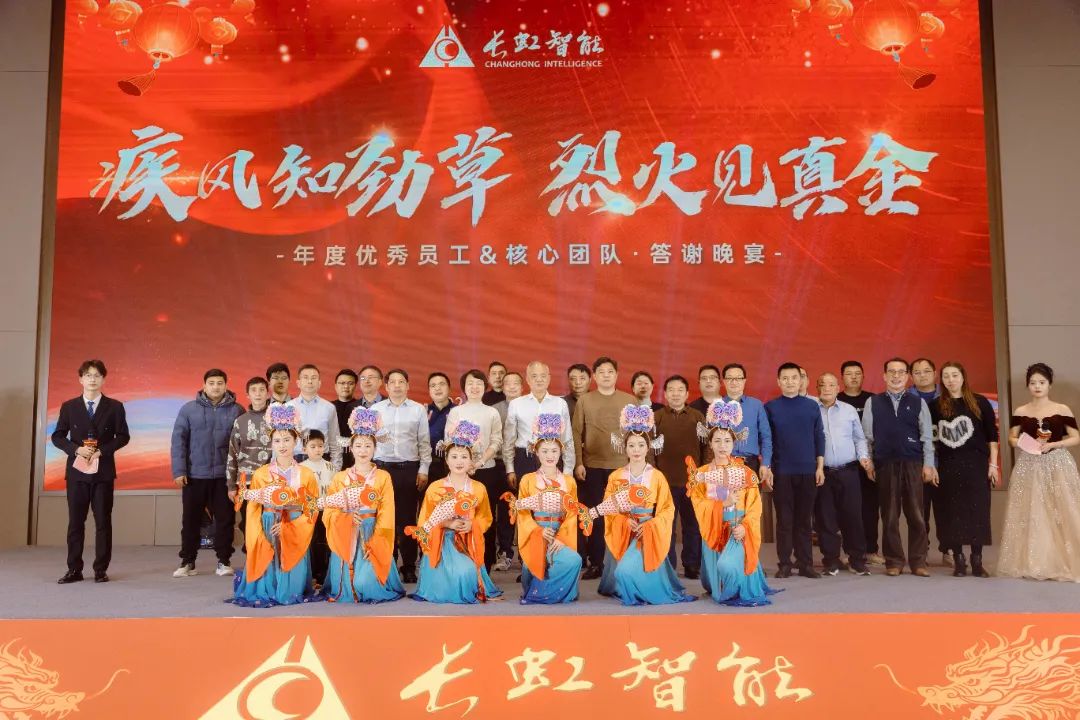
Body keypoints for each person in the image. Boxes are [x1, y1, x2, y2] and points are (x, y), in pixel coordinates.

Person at [592, 405, 696, 606]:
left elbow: (667, 509)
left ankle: (643, 584)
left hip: (647, 532)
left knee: (625, 572)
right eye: (631, 445)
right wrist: (624, 521)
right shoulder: (616, 476)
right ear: (625, 448)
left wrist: (650, 525)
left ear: (649, 447)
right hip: (624, 531)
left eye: (641, 445)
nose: (636, 450)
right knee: (622, 574)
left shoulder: (657, 476)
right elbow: (608, 507)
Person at [228, 405, 322, 607]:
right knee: (268, 584)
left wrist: (291, 526)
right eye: (277, 441)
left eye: (287, 440)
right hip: (268, 524)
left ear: (296, 441)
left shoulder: (306, 474)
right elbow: (253, 509)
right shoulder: (261, 474)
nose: (282, 445)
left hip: (295, 525)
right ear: (270, 443)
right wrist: (257, 535)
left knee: (289, 591)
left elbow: (312, 509)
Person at [689, 401, 777, 606]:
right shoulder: (701, 474)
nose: (722, 446)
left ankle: (738, 584)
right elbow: (698, 504)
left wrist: (745, 527)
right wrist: (723, 504)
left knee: (727, 566)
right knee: (715, 580)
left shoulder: (746, 472)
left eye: (727, 441)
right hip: (713, 527)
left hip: (737, 528)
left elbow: (755, 507)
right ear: (710, 443)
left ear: (734, 443)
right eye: (717, 441)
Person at [998, 363, 1080, 581]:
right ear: (1028, 385)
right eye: (1033, 383)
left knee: (1062, 509)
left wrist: (1054, 445)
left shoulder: (1062, 409)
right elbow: (1011, 438)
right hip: (1029, 464)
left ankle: (1066, 561)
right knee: (1033, 510)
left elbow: (1076, 437)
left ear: (1049, 384)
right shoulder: (1021, 411)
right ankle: (1038, 562)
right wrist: (1024, 443)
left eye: (1042, 382)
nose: (1037, 386)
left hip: (1058, 463)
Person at [52, 359, 130, 584]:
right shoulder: (69, 406)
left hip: (103, 472)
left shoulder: (115, 407)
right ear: (81, 379)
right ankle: (74, 569)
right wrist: (76, 449)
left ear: (103, 379)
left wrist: (102, 451)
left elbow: (123, 436)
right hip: (77, 473)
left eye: (97, 375)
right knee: (75, 522)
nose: (92, 379)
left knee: (103, 522)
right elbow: (58, 436)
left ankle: (100, 569)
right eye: (88, 375)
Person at [408, 421, 503, 603]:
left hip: (468, 541)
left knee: (465, 573)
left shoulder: (478, 488)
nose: (459, 461)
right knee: (451, 578)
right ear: (446, 460)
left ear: (471, 460)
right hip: (440, 542)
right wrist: (447, 523)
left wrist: (472, 524)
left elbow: (486, 517)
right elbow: (424, 521)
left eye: (464, 457)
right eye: (454, 456)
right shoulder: (435, 487)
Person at [319, 407, 405, 603]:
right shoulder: (340, 477)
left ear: (375, 448)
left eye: (368, 446)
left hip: (372, 531)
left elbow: (387, 513)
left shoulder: (383, 477)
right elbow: (330, 511)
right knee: (351, 585)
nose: (363, 450)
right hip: (346, 533)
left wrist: (377, 541)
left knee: (365, 584)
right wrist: (346, 517)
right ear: (351, 448)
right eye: (358, 445)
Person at [862, 358, 937, 577]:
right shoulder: (873, 402)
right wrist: (869, 463)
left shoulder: (918, 402)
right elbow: (867, 437)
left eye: (901, 372)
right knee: (890, 515)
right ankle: (893, 561)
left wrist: (929, 464)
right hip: (885, 463)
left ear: (907, 376)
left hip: (913, 463)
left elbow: (927, 437)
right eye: (892, 372)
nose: (896, 376)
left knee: (917, 514)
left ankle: (918, 561)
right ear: (884, 376)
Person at [171, 369, 244, 578]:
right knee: (190, 520)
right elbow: (178, 442)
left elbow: (241, 444)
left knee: (225, 520)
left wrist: (237, 476)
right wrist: (179, 470)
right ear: (204, 385)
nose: (215, 387)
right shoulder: (188, 409)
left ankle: (224, 561)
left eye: (220, 383)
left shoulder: (237, 410)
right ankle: (188, 561)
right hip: (195, 474)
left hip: (224, 476)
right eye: (211, 383)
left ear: (226, 385)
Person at [931, 362, 999, 578]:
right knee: (952, 512)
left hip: (977, 464)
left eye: (955, 375)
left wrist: (993, 465)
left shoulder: (980, 402)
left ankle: (977, 560)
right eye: (946, 376)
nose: (951, 380)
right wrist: (932, 466)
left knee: (978, 511)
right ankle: (959, 560)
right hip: (948, 465)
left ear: (963, 377)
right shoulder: (935, 406)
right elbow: (931, 439)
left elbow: (992, 436)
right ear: (941, 380)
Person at [572, 356, 637, 579]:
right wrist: (579, 462)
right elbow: (576, 433)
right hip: (593, 466)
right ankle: (597, 562)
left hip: (622, 467)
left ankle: (623, 561)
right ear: (594, 376)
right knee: (596, 515)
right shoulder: (585, 400)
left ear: (617, 375)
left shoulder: (629, 401)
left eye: (610, 372)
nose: (606, 376)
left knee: (623, 515)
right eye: (601, 372)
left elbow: (638, 434)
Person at [507, 414, 582, 603]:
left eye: (554, 451)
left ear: (561, 452)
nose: (550, 456)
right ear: (536, 452)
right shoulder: (528, 480)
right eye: (545, 451)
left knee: (574, 560)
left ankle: (540, 594)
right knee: (533, 568)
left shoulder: (569, 481)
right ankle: (541, 590)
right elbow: (523, 513)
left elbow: (572, 514)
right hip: (536, 535)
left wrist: (562, 537)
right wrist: (538, 531)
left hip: (560, 536)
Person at [765, 363, 825, 578]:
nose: (790, 382)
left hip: (808, 471)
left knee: (804, 520)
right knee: (784, 520)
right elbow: (767, 440)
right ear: (778, 382)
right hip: (782, 472)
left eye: (794, 377)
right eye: (785, 378)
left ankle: (805, 563)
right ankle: (784, 563)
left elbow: (819, 436)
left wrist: (820, 467)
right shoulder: (771, 407)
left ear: (801, 380)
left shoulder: (812, 406)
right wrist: (768, 468)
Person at [371, 369, 431, 584]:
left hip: (409, 469)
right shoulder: (375, 410)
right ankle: (387, 563)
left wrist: (424, 469)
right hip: (381, 469)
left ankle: (409, 566)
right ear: (386, 387)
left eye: (401, 382)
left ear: (407, 385)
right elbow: (368, 442)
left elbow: (424, 442)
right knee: (383, 518)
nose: (397, 386)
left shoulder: (417, 410)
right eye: (393, 382)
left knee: (407, 519)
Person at [447, 369, 509, 572]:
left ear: (485, 387)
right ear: (464, 388)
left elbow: (497, 441)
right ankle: (462, 564)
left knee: (485, 518)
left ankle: (486, 565)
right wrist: (464, 464)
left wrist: (480, 461)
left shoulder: (491, 412)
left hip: (486, 471)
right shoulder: (456, 412)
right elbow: (449, 441)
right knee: (460, 516)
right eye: (470, 383)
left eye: (479, 383)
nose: (475, 387)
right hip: (460, 474)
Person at [815, 373, 872, 576]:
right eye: (822, 384)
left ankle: (857, 560)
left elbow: (859, 438)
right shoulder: (812, 411)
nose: (827, 388)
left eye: (831, 384)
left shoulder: (848, 410)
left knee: (853, 516)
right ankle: (831, 560)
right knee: (826, 518)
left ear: (838, 387)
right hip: (823, 473)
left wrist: (863, 457)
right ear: (817, 388)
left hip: (849, 471)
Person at [653, 375, 705, 579]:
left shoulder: (697, 416)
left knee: (693, 526)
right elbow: (649, 448)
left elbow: (707, 447)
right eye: (671, 390)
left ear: (687, 394)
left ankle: (692, 565)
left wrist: (703, 474)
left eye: (680, 390)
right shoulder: (656, 417)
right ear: (665, 394)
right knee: (667, 526)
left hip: (693, 482)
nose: (676, 394)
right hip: (664, 482)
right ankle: (669, 566)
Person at [720, 363, 775, 542]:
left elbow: (766, 437)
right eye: (730, 378)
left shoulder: (756, 405)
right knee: (726, 512)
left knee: (750, 512)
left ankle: (750, 557)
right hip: (724, 465)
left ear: (744, 381)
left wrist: (765, 463)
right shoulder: (717, 407)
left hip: (750, 464)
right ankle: (728, 555)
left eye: (738, 378)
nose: (734, 382)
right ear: (724, 381)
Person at [837, 360, 882, 566]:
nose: (854, 377)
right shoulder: (836, 400)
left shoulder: (873, 400)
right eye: (849, 374)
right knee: (847, 509)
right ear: (842, 378)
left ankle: (871, 550)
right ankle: (849, 551)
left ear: (863, 376)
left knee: (870, 508)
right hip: (846, 462)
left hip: (869, 461)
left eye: (857, 373)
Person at [503, 363, 574, 486]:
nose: (539, 379)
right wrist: (510, 469)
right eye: (534, 376)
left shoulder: (560, 404)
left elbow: (567, 439)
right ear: (528, 379)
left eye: (543, 376)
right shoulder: (516, 404)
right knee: (527, 496)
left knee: (553, 496)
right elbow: (509, 439)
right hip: (525, 459)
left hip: (553, 458)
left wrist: (568, 470)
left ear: (549, 378)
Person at [909, 357, 949, 566]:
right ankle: (921, 551)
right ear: (911, 376)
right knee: (919, 512)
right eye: (917, 372)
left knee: (946, 510)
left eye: (926, 371)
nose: (922, 375)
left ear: (934, 374)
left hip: (947, 462)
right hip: (918, 463)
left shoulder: (949, 395)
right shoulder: (906, 399)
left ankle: (948, 550)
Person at [226, 377, 272, 540]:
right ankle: (250, 555)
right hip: (246, 481)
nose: (258, 394)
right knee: (249, 524)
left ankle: (271, 556)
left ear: (268, 394)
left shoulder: (277, 418)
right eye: (254, 390)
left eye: (262, 390)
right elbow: (233, 453)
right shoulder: (241, 421)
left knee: (269, 523)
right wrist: (231, 485)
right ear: (248, 395)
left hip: (272, 480)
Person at [287, 365, 343, 469]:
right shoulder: (288, 407)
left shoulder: (329, 408)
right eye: (305, 377)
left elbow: (335, 441)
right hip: (295, 461)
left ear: (319, 383)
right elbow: (281, 440)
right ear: (298, 383)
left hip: (322, 459)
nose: (310, 381)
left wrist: (335, 468)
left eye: (313, 378)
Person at [300, 429, 334, 586]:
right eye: (312, 446)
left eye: (320, 446)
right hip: (308, 511)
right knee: (311, 541)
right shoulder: (301, 468)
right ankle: (313, 573)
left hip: (326, 510)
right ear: (304, 449)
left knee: (325, 541)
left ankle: (324, 574)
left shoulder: (330, 467)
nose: (317, 450)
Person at [426, 372, 454, 483]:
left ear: (449, 388)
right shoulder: (422, 412)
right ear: (429, 391)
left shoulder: (459, 411)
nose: (437, 388)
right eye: (433, 385)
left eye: (442, 384)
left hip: (454, 466)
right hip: (429, 467)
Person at [332, 369, 360, 470]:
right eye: (342, 383)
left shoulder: (360, 408)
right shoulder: (328, 407)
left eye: (350, 383)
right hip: (331, 458)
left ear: (355, 386)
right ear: (336, 386)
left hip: (355, 458)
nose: (346, 386)